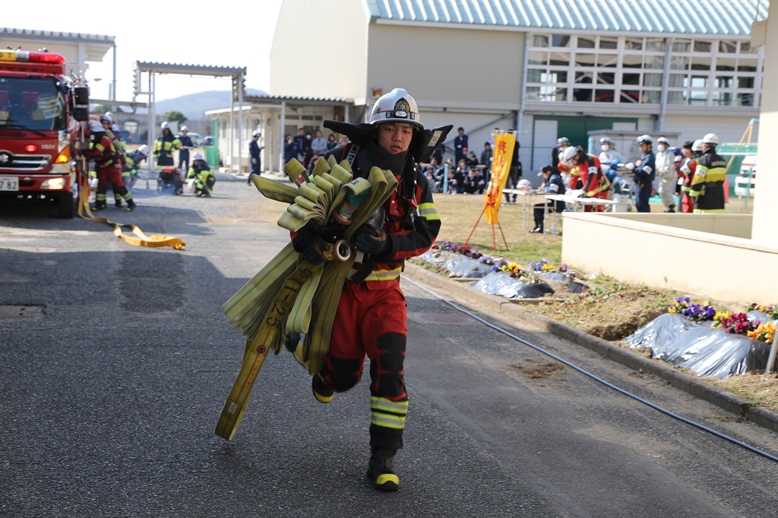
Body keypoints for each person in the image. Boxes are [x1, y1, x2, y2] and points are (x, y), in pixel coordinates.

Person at [292, 87, 443, 492]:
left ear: (414, 136)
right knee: (343, 378)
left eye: (406, 130)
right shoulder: (341, 162)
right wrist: (306, 240)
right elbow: (303, 206)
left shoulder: (415, 180)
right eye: (391, 128)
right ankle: (325, 370)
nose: (398, 137)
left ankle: (383, 459)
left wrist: (390, 245)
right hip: (341, 289)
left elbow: (428, 232)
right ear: (375, 130)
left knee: (391, 371)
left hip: (385, 293)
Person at [82, 120, 135, 211]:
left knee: (118, 185)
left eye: (93, 133)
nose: (91, 136)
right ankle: (100, 204)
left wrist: (81, 152)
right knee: (101, 185)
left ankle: (131, 203)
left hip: (112, 166)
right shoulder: (98, 138)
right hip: (103, 166)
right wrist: (80, 128)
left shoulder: (104, 140)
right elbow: (87, 134)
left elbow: (96, 152)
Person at [690, 133, 727, 213]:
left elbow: (698, 178)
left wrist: (693, 194)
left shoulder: (704, 160)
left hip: (705, 196)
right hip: (719, 195)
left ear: (706, 145)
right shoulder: (722, 160)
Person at [530, 165, 566, 233]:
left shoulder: (554, 178)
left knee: (537, 208)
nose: (543, 176)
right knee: (537, 207)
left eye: (543, 174)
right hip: (557, 203)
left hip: (558, 204)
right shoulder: (553, 177)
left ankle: (540, 227)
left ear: (548, 172)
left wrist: (543, 188)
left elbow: (553, 190)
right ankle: (538, 226)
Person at [625, 135, 656, 212]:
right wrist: (635, 165)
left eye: (642, 146)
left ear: (649, 145)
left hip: (644, 185)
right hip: (640, 185)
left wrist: (633, 168)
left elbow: (645, 172)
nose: (641, 148)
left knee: (642, 206)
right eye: (640, 146)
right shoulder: (644, 156)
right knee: (639, 204)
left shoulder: (649, 157)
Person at [678, 140, 700, 213]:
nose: (684, 151)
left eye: (686, 149)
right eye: (683, 149)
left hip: (692, 189)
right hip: (684, 188)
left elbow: (680, 173)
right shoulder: (684, 160)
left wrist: (676, 164)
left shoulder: (693, 161)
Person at [655, 136, 676, 212]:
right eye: (659, 143)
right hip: (662, 176)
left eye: (662, 143)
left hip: (669, 176)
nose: (660, 145)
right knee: (661, 191)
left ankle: (671, 205)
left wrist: (663, 172)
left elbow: (669, 166)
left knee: (664, 191)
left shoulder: (669, 154)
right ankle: (668, 206)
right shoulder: (658, 154)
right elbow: (657, 165)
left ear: (666, 145)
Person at [503, 131, 522, 204]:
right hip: (513, 164)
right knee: (513, 182)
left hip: (510, 164)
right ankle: (512, 198)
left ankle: (509, 199)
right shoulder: (516, 143)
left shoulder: (512, 143)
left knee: (510, 182)